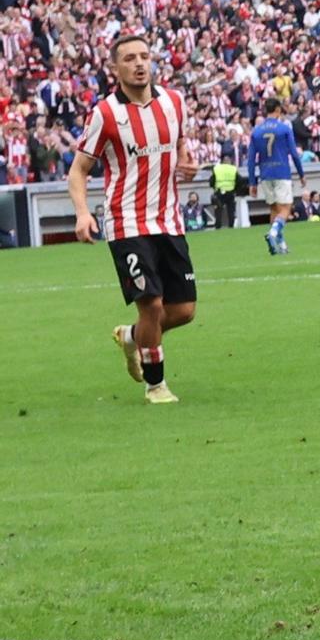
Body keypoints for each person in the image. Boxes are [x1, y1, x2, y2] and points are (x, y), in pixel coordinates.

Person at [68, 35, 200, 405]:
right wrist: (82, 213)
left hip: (169, 221)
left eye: (144, 56)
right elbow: (79, 170)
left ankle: (131, 337)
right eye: (129, 58)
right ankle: (156, 385)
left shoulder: (174, 102)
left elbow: (180, 150)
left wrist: (187, 165)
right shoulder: (106, 113)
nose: (139, 64)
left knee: (184, 311)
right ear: (116, 67)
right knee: (152, 305)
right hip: (126, 223)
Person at [249, 98, 307, 255]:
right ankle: (274, 233)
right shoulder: (284, 128)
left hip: (265, 173)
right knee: (286, 208)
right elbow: (294, 154)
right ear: (278, 110)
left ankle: (280, 246)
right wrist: (301, 174)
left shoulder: (256, 131)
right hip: (281, 171)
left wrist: (252, 182)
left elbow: (251, 159)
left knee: (274, 208)